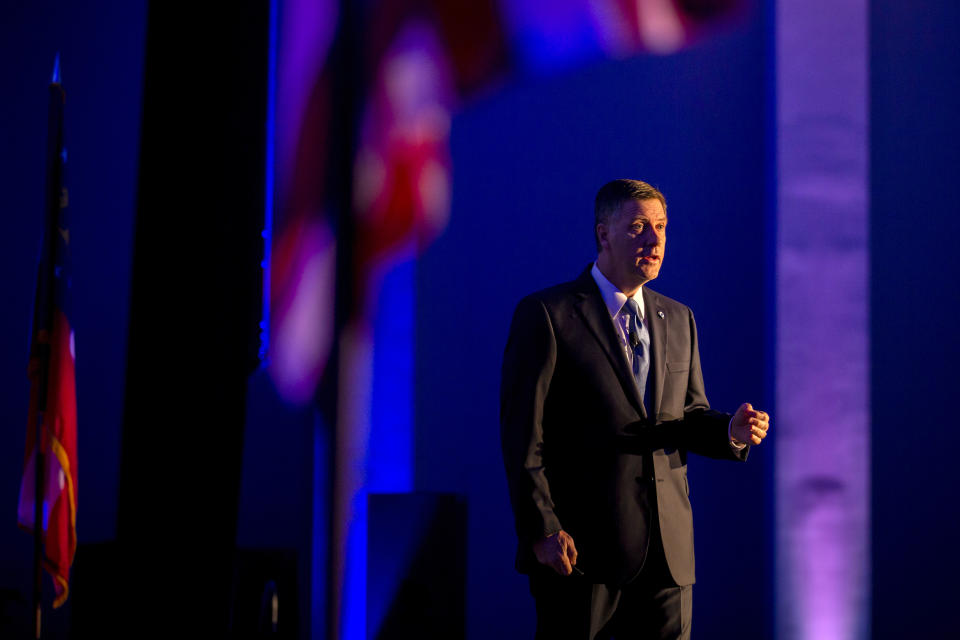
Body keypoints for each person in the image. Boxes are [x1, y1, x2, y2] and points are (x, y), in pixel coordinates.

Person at [500, 179, 770, 639]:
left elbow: (684, 417)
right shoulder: (548, 313)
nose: (654, 239)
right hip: (581, 555)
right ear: (603, 234)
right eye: (639, 227)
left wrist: (730, 432)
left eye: (661, 227)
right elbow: (523, 436)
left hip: (668, 556)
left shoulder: (679, 317)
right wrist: (542, 527)